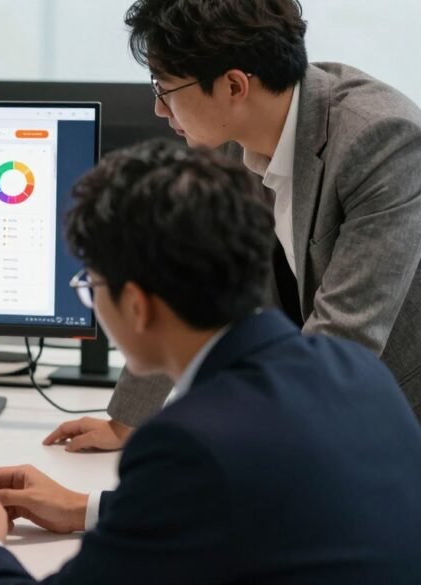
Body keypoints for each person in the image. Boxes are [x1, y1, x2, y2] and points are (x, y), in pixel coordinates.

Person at [0, 140, 421, 584]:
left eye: (92, 287)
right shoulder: (356, 371)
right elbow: (254, 500)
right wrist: (88, 509)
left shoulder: (191, 441)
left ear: (139, 306)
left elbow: (210, 481)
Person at [49, 0, 421, 454]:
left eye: (165, 88)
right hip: (306, 410)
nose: (159, 110)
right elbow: (184, 290)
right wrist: (128, 422)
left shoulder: (381, 140)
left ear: (233, 86)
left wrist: (208, 450)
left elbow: (344, 340)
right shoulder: (233, 138)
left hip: (393, 421)